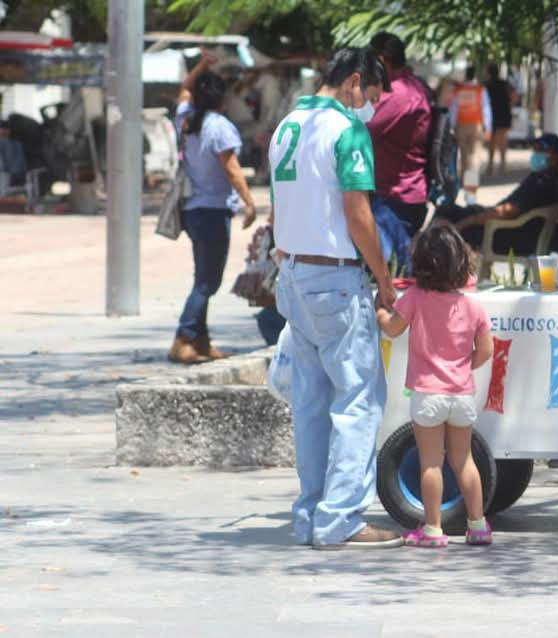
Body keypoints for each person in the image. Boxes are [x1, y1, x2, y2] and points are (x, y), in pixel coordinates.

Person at [269, 46, 401, 549]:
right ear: (352, 83)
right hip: (336, 278)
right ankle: (342, 517)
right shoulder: (347, 130)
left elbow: (281, 208)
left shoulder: (286, 127)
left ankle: (310, 513)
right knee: (357, 400)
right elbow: (357, 213)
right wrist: (383, 276)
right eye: (369, 95)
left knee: (310, 402)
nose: (368, 106)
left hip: (295, 273)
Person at [375, 223, 495, 547]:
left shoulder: (414, 297)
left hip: (428, 394)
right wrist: (460, 368)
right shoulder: (472, 305)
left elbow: (393, 330)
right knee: (464, 460)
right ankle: (478, 524)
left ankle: (432, 529)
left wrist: (380, 313)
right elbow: (486, 349)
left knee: (431, 462)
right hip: (462, 394)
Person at [168, 51, 257, 365]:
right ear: (221, 99)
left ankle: (201, 342)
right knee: (208, 282)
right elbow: (231, 167)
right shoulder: (219, 126)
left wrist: (203, 65)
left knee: (202, 276)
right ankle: (183, 337)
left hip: (191, 210)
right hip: (213, 211)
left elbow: (184, 89)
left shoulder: (186, 119)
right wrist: (249, 202)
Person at [436, 133, 558, 256]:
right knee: (450, 211)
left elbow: (507, 211)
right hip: (524, 231)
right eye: (535, 149)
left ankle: (430, 265)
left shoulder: (542, 181)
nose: (536, 154)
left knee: (447, 217)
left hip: (512, 234)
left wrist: (466, 223)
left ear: (557, 155)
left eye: (542, 150)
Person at [368, 32, 433, 241]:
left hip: (396, 201)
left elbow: (361, 129)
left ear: (381, 61)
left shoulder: (401, 93)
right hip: (391, 196)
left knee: (386, 268)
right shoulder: (405, 87)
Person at [449, 66, 492, 204]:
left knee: (464, 158)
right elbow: (486, 109)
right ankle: (470, 192)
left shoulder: (459, 90)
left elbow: (454, 109)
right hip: (476, 126)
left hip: (461, 126)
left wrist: (452, 126)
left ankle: (466, 188)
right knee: (474, 160)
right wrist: (488, 127)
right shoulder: (480, 89)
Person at [485, 63, 514, 176]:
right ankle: (503, 165)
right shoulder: (504, 84)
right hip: (504, 113)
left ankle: (490, 166)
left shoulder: (487, 85)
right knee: (503, 141)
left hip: (493, 114)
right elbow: (513, 95)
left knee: (492, 141)